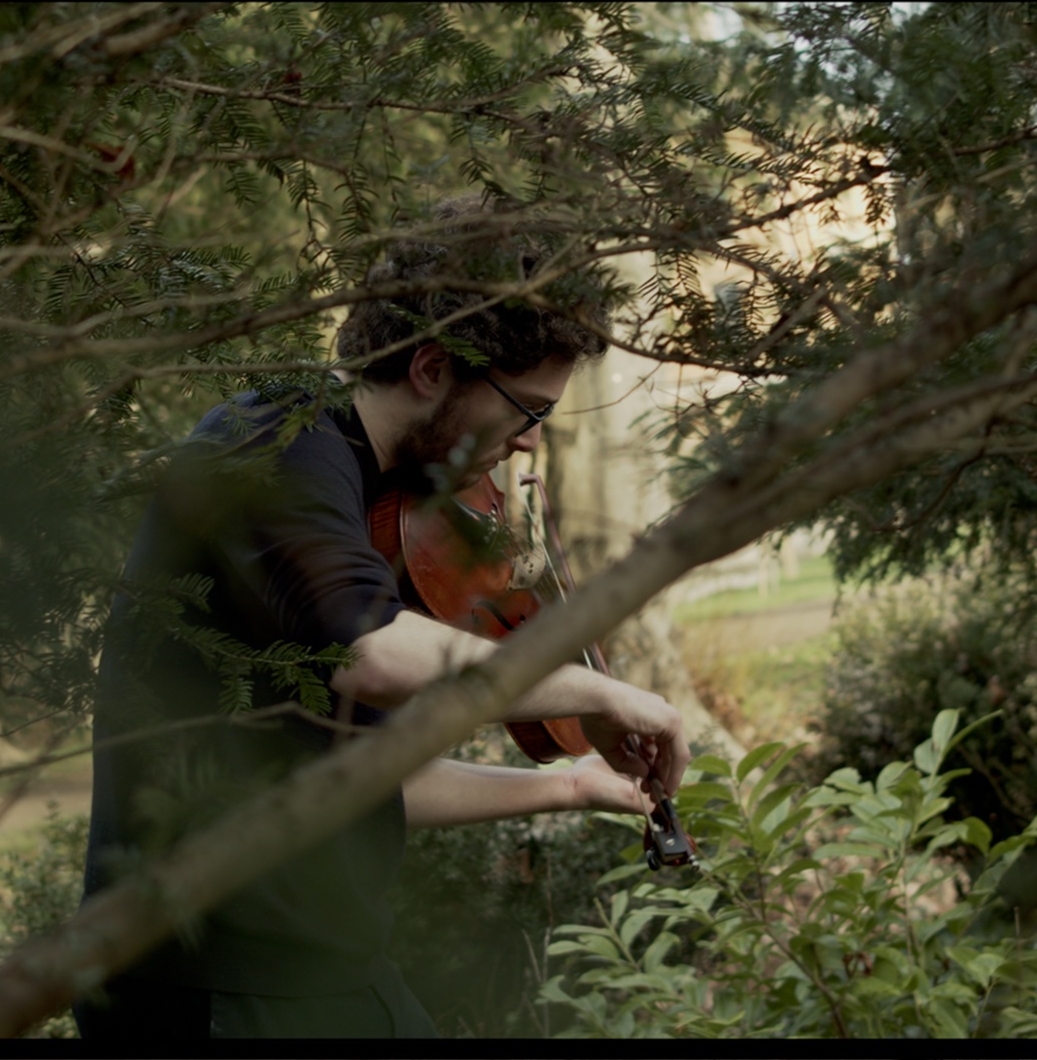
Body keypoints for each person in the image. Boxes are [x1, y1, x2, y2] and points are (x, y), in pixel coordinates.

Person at [75, 196, 690, 1039]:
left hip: (313, 968)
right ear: (433, 370)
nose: (526, 446)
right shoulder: (274, 442)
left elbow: (358, 776)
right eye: (527, 411)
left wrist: (567, 783)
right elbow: (368, 651)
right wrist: (592, 691)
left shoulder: (374, 500)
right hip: (210, 981)